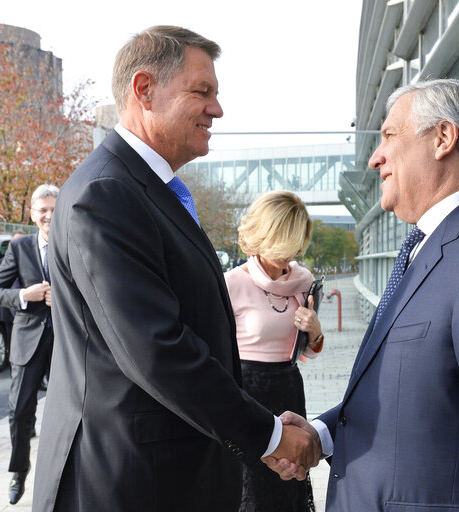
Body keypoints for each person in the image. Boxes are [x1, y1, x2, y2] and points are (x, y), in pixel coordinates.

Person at [31, 26, 317, 512]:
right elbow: (155, 349)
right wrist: (268, 435)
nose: (217, 109)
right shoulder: (107, 194)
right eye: (201, 92)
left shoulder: (143, 189)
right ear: (144, 89)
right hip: (129, 481)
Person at [267, 79, 459, 511]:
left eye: (388, 136)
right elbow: (422, 398)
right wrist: (322, 433)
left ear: (443, 138)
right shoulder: (433, 244)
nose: (375, 158)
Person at [225, 191, 324, 512]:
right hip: (245, 390)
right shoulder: (230, 284)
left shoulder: (304, 280)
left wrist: (316, 330)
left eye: (297, 245)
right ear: (264, 237)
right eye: (285, 245)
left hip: (288, 387)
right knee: (251, 486)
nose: (291, 256)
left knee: (289, 480)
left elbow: (311, 349)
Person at [0, 184, 58, 505]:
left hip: (65, 341)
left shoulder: (73, 242)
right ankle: (19, 470)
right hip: (27, 339)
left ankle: (62, 471)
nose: (48, 215)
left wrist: (66, 300)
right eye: (42, 210)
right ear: (32, 215)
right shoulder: (19, 249)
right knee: (19, 411)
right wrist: (23, 296)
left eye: (54, 209)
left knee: (68, 410)